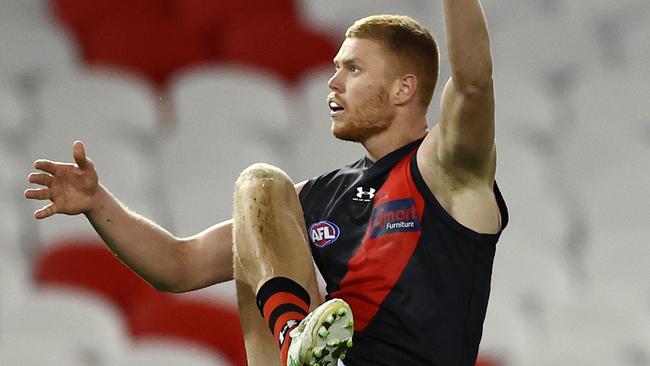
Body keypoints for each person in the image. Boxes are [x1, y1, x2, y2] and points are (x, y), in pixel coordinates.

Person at [25, 0, 508, 365]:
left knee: (263, 184)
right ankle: (298, 340)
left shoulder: (448, 172)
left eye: (353, 69)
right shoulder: (318, 196)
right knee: (261, 184)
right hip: (315, 353)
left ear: (404, 88)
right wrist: (95, 201)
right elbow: (179, 264)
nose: (332, 82)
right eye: (336, 66)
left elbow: (472, 83)